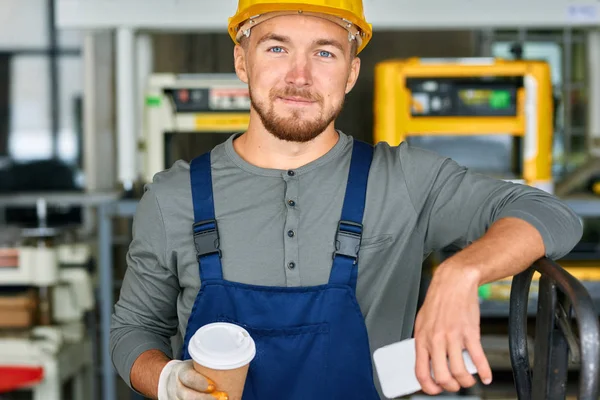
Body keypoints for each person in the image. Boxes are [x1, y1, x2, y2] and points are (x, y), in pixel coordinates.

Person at [110, 1, 583, 399]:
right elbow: (133, 329)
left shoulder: (405, 180)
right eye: (276, 48)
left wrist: (463, 271)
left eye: (325, 53)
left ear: (352, 71)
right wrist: (169, 380)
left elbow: (552, 215)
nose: (299, 75)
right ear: (241, 61)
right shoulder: (174, 197)